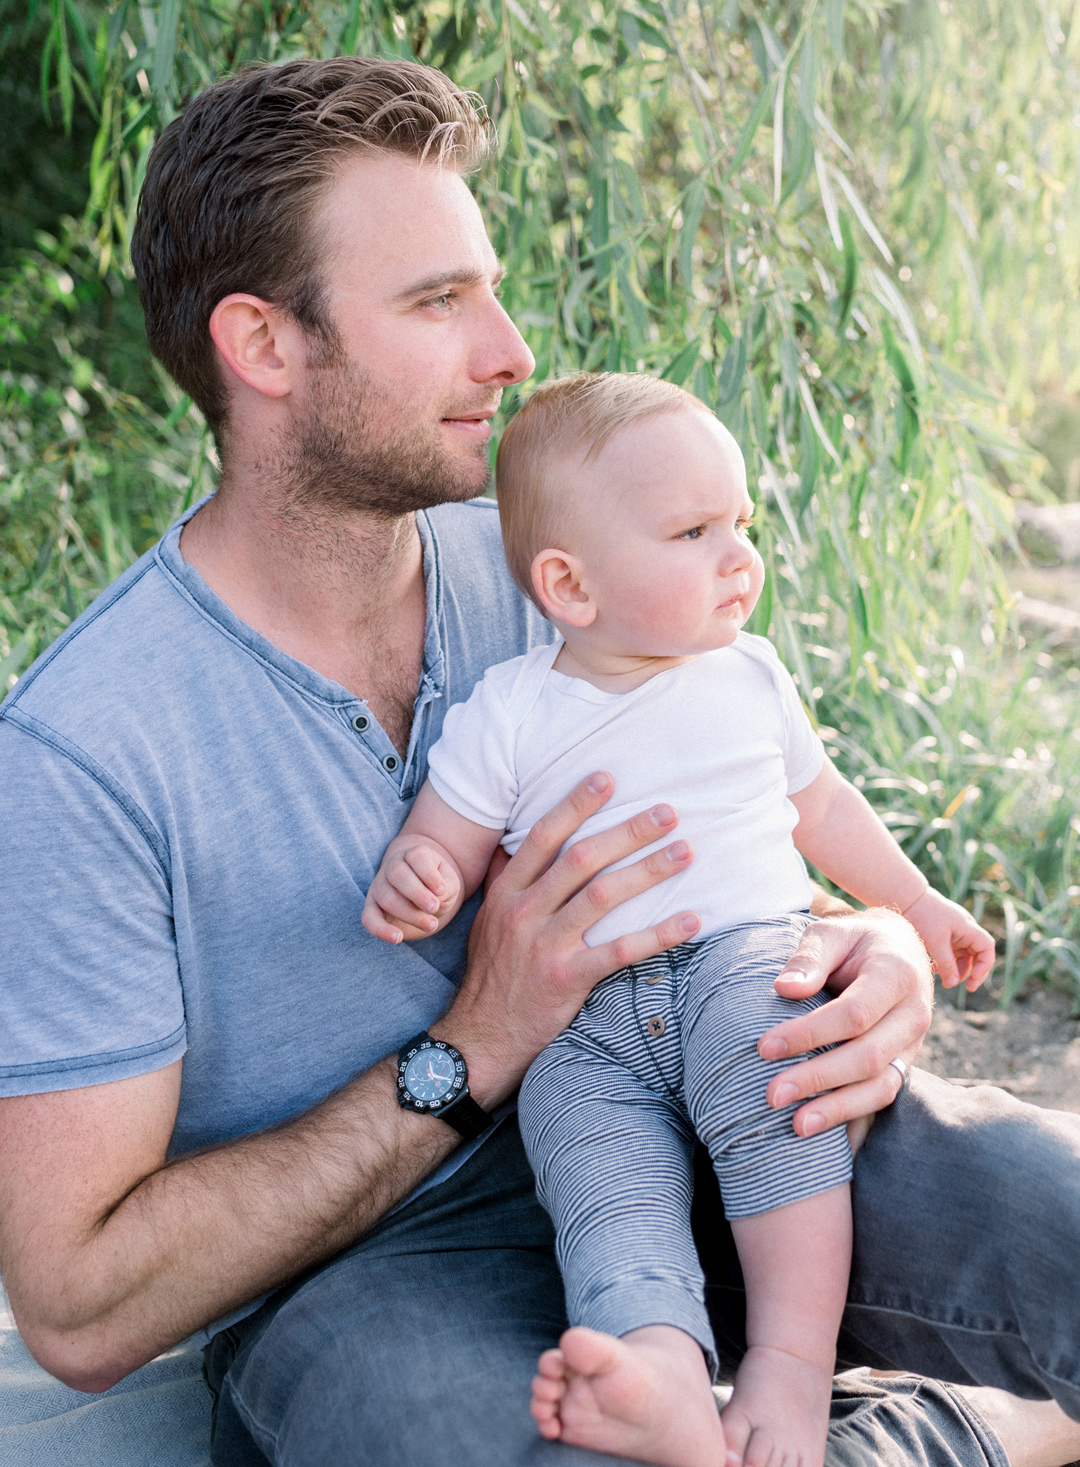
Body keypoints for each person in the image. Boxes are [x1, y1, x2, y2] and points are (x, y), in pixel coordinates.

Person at [0, 55, 1078, 1467]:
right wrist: (474, 1043)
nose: (509, 348)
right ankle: (964, 1435)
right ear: (264, 345)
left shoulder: (549, 567)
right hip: (374, 1272)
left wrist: (875, 941)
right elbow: (79, 1305)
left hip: (726, 1096)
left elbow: (760, 793)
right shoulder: (87, 752)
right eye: (439, 300)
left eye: (487, 286)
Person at [360, 371, 996, 1467]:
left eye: (739, 523)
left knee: (782, 1123)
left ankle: (788, 1375)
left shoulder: (749, 676)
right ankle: (653, 1362)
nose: (739, 555)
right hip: (582, 1024)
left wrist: (911, 903)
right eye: (693, 531)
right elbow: (446, 837)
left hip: (746, 967)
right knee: (598, 1176)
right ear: (570, 584)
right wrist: (417, 876)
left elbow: (825, 807)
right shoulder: (512, 708)